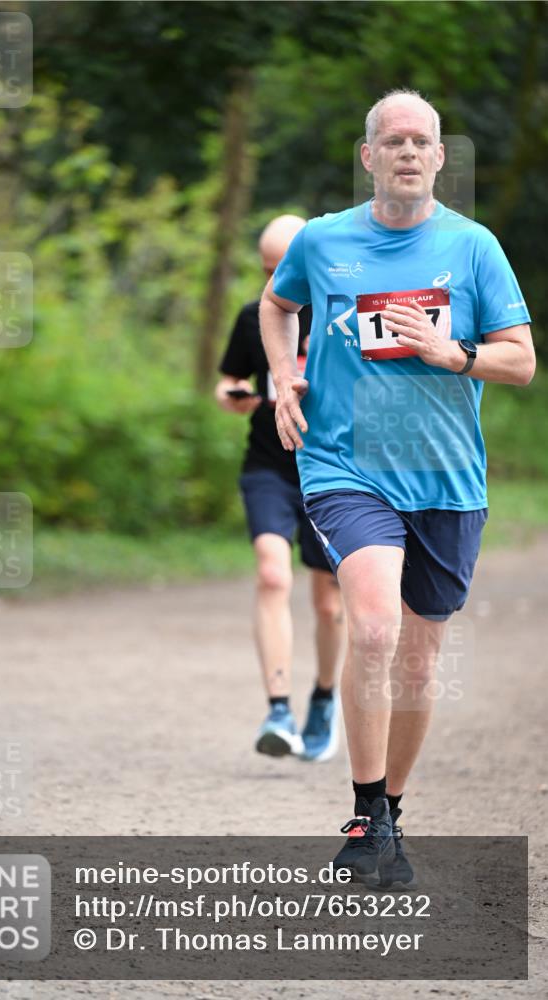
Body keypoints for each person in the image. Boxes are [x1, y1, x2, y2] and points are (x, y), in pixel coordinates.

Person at [260, 90, 534, 885]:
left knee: (416, 664)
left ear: (439, 158)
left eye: (422, 141)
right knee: (372, 629)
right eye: (393, 140)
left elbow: (519, 360)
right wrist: (284, 375)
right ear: (368, 155)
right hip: (345, 465)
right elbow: (276, 305)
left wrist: (455, 354)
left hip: (446, 477)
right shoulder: (322, 240)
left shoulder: (473, 247)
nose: (408, 152)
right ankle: (362, 811)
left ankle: (390, 817)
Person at [215, 215, 344, 763]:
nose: (273, 279)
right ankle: (278, 710)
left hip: (334, 469)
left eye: (282, 267)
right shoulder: (253, 317)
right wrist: (234, 396)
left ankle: (322, 698)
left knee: (330, 604)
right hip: (268, 464)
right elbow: (227, 382)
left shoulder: (345, 313)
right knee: (272, 574)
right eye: (266, 269)